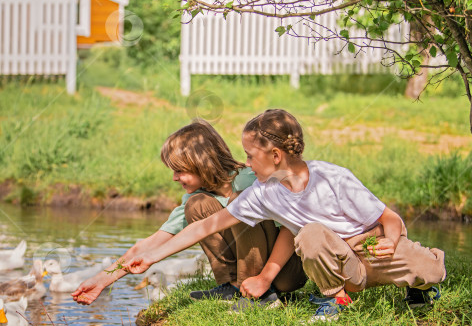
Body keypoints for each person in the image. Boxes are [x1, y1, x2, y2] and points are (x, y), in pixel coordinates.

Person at [122, 109, 447, 321]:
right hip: (334, 258)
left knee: (429, 271)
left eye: (250, 156)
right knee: (310, 233)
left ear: (275, 156)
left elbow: (390, 219)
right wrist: (153, 257)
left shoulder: (333, 178)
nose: (246, 163)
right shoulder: (264, 193)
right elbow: (209, 224)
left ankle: (420, 281)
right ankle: (334, 300)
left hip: (370, 247)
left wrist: (391, 242)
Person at [72, 119, 307, 307]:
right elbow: (148, 244)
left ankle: (258, 295)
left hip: (285, 271)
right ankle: (233, 286)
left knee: (239, 204)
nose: (174, 178)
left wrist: (265, 277)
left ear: (201, 164)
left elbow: (292, 228)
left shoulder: (252, 180)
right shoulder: (197, 198)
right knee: (197, 206)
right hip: (254, 274)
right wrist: (102, 279)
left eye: (179, 170)